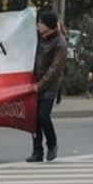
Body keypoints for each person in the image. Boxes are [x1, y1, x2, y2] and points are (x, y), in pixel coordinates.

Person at [27, 10, 65, 162]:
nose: (38, 25)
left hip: (48, 86)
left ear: (48, 26)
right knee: (33, 120)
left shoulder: (60, 43)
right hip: (33, 82)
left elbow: (55, 69)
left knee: (43, 116)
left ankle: (52, 144)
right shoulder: (39, 37)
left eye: (41, 23)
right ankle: (37, 151)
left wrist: (40, 85)